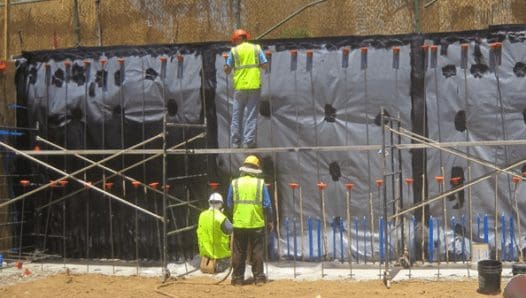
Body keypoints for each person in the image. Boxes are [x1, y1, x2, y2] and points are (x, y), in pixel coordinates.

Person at [226, 155, 273, 286]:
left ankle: (237, 279)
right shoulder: (260, 183)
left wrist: (236, 214)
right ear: (256, 169)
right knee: (257, 251)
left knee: (239, 251)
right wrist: (270, 220)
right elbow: (267, 205)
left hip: (239, 223)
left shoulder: (234, 183)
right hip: (256, 223)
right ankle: (258, 278)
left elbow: (229, 203)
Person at [224, 29, 269, 149]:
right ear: (245, 37)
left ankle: (235, 142)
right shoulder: (256, 49)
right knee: (251, 115)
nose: (234, 43)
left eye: (235, 40)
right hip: (254, 86)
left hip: (240, 87)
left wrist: (227, 67)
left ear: (238, 39)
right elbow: (265, 65)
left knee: (237, 114)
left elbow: (227, 69)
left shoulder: (234, 51)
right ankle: (248, 141)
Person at [196, 192, 233, 273]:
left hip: (205, 254)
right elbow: (231, 230)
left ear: (209, 203)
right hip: (220, 255)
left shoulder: (202, 215)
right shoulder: (221, 217)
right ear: (221, 204)